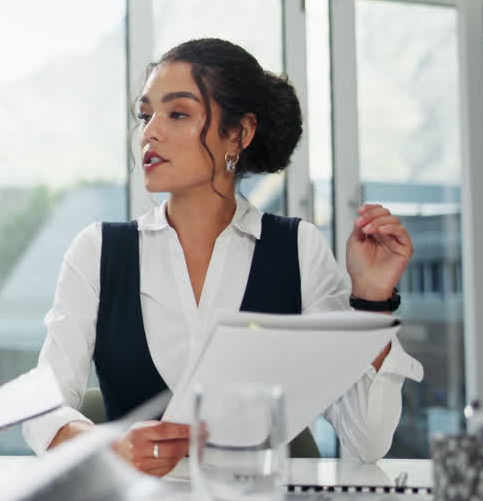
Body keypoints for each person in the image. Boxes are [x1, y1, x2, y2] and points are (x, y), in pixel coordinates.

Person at [22, 38, 423, 476]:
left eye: (177, 113)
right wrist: (107, 445)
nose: (150, 131)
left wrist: (371, 299)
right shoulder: (98, 251)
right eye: (145, 115)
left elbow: (367, 440)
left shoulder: (298, 250)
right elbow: (44, 406)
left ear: (239, 132)